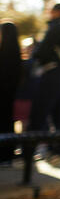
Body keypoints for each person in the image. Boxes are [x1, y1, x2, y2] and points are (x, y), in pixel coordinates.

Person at [29, 4, 60, 158]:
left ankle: (28, 151)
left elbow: (43, 51)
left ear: (57, 12)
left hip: (53, 74)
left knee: (39, 113)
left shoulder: (57, 27)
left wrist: (35, 54)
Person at [0, 21, 22, 163]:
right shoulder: (16, 53)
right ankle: (8, 152)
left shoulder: (4, 53)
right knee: (8, 122)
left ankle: (4, 154)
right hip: (11, 95)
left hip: (3, 94)